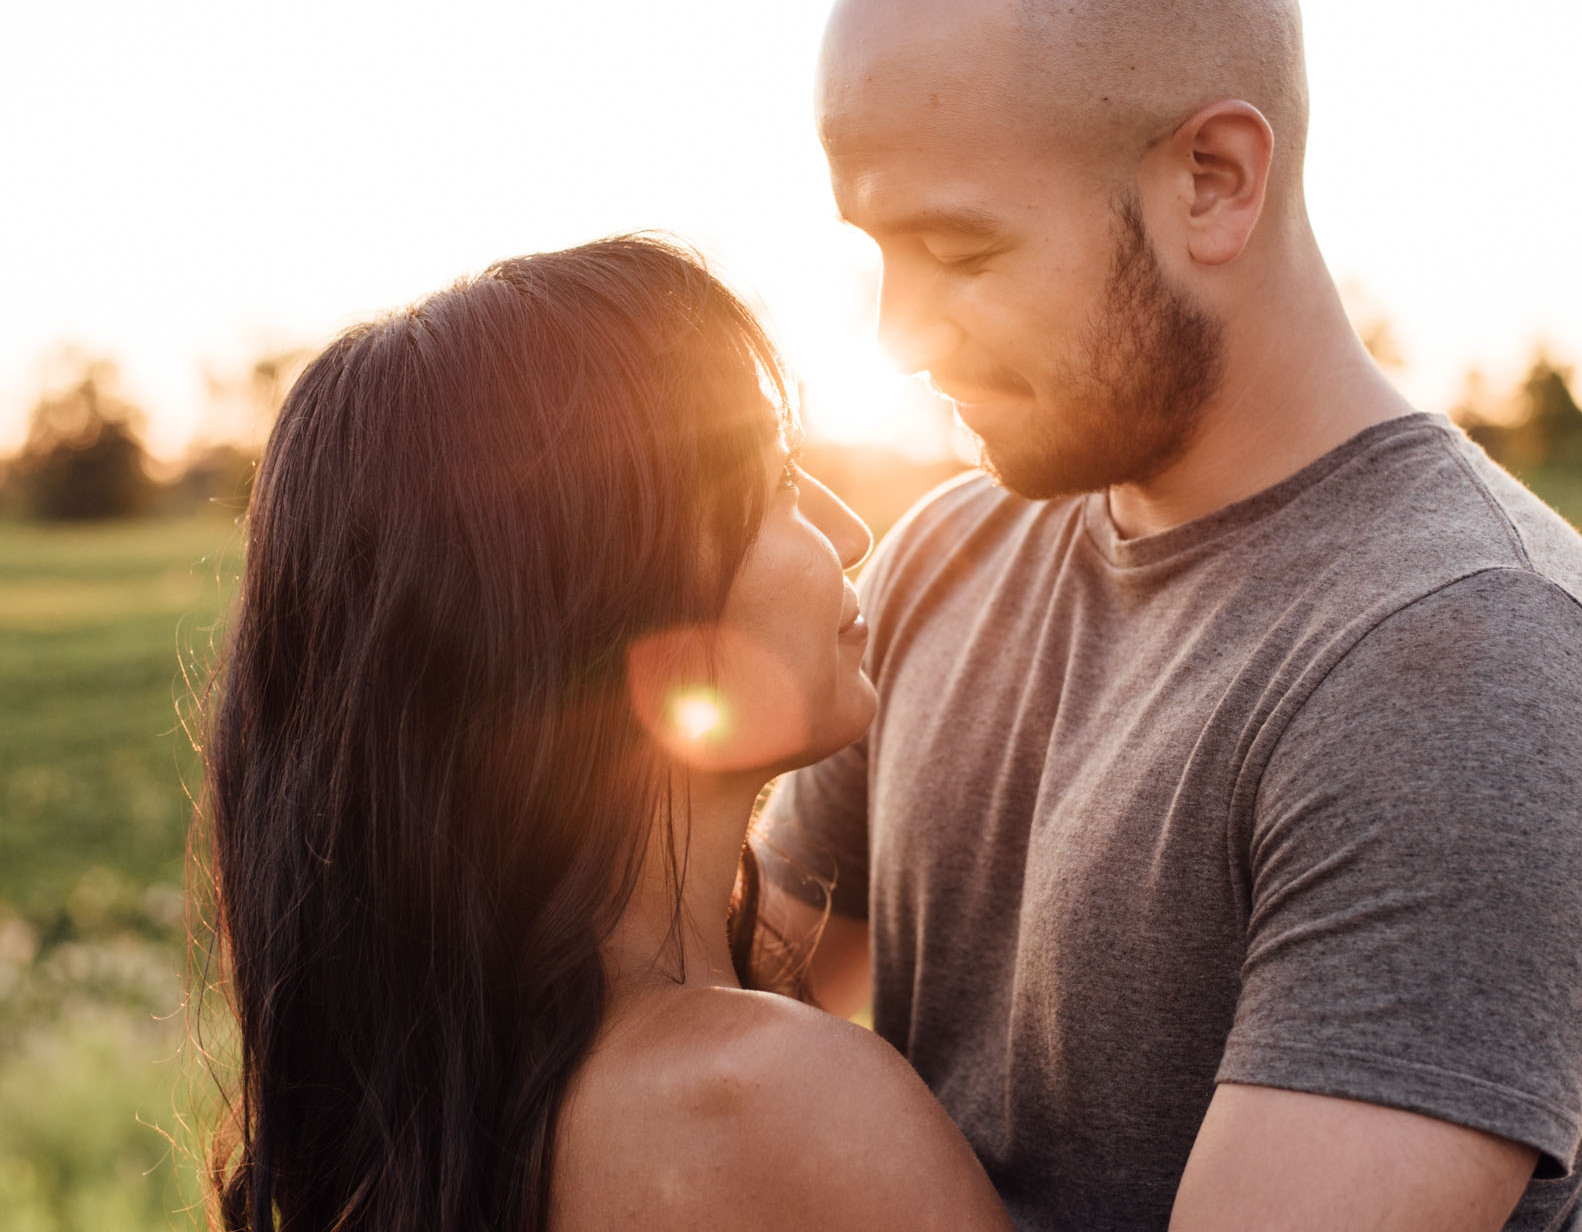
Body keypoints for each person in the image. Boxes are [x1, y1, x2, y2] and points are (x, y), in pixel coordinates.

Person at [753, 0, 1582, 1229]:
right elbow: (725, 1021)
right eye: (879, 249)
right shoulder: (937, 560)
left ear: (1214, 180)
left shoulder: (1473, 661)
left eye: (958, 247)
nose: (899, 331)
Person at [195, 237, 1015, 1232]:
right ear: (617, 615)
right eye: (780, 489)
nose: (850, 533)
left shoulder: (427, 1122)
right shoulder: (774, 1104)